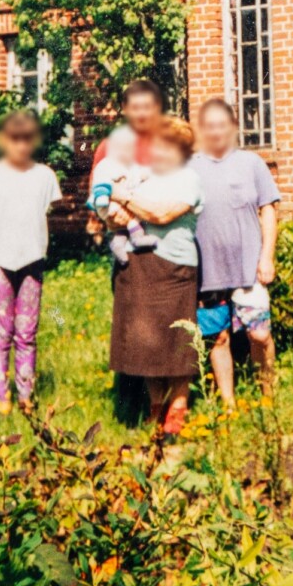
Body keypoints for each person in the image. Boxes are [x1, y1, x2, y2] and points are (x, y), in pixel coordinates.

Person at [108, 116, 204, 436]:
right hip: (140, 266)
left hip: (175, 267)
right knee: (147, 341)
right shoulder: (142, 176)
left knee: (177, 342)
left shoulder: (189, 178)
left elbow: (161, 214)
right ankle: (155, 407)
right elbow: (114, 214)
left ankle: (177, 409)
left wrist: (124, 197)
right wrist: (115, 210)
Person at [0, 109, 62, 415]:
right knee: (0, 333)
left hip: (32, 259)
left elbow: (45, 214)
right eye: (14, 139)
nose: (20, 145)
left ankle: (25, 395)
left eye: (26, 139)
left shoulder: (45, 175)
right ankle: (1, 398)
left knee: (27, 331)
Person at [190, 99, 280, 408]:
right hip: (208, 273)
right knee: (218, 337)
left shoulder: (252, 163)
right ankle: (228, 404)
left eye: (222, 125)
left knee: (259, 336)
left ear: (233, 128)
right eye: (209, 126)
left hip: (248, 269)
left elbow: (268, 210)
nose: (216, 132)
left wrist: (266, 256)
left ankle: (268, 397)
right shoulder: (191, 167)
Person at [87, 125, 154, 264]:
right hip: (115, 205)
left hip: (134, 206)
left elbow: (142, 174)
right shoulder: (108, 153)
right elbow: (98, 179)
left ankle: (118, 244)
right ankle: (137, 239)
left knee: (127, 224)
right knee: (130, 220)